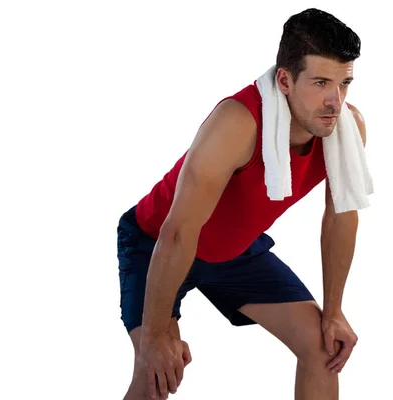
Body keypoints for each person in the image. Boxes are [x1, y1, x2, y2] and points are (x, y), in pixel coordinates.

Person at [116, 7, 367, 400]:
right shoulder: (237, 124)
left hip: (233, 250)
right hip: (157, 242)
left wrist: (333, 312)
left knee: (323, 349)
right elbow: (178, 233)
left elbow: (341, 219)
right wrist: (153, 336)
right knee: (158, 375)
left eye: (344, 83)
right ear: (284, 79)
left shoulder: (345, 130)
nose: (335, 101)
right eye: (320, 82)